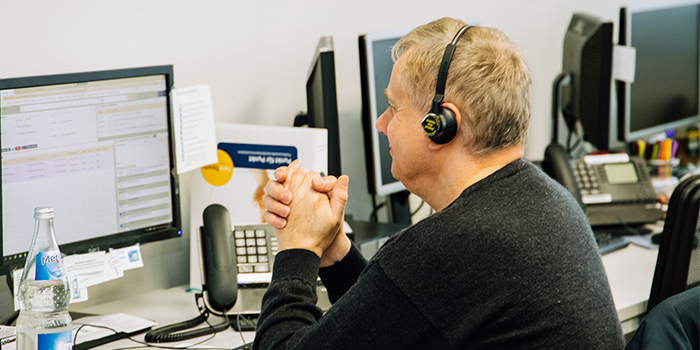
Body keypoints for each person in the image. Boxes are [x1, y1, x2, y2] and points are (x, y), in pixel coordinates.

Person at [253, 17, 625, 350]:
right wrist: (333, 249)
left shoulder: (450, 247)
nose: (381, 123)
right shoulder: (546, 200)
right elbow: (395, 319)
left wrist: (297, 249)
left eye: (394, 108)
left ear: (441, 124)